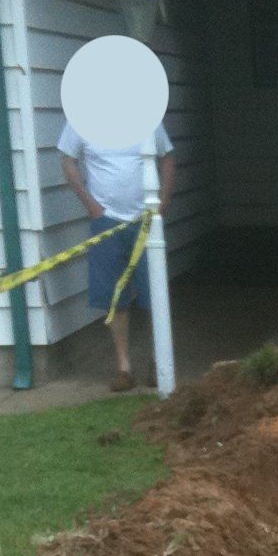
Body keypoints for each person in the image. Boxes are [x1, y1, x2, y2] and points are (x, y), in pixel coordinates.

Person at [57, 119, 177, 392]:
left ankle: (158, 363)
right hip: (106, 222)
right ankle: (124, 368)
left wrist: (163, 203)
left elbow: (168, 158)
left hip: (145, 221)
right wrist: (91, 206)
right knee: (114, 299)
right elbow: (67, 160)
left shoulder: (147, 117)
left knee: (153, 295)